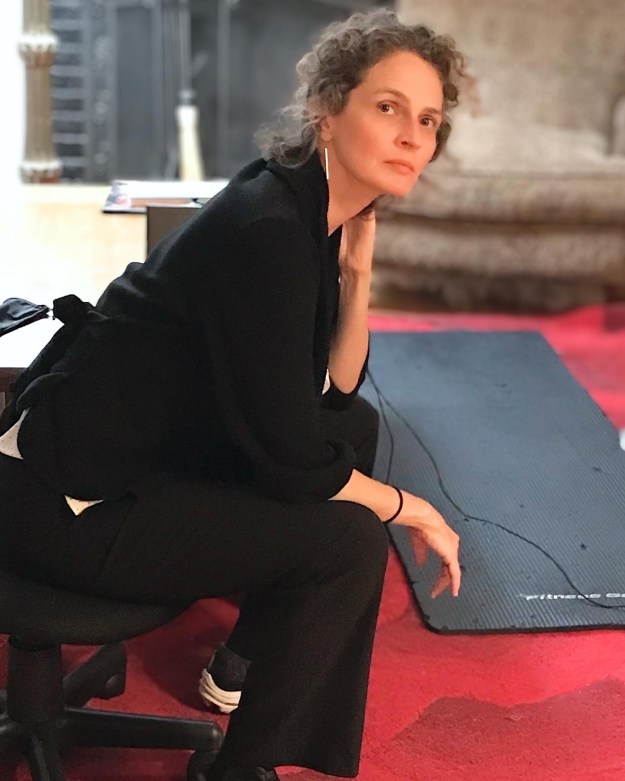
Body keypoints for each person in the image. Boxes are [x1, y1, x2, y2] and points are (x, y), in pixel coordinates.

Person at [0, 8, 465, 781]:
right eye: (388, 107)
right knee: (348, 538)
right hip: (63, 502)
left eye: (427, 120)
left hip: (133, 459)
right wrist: (406, 505)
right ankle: (240, 769)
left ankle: (243, 660)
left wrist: (356, 272)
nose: (412, 136)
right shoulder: (267, 232)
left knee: (353, 426)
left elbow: (334, 389)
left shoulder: (308, 205)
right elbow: (292, 460)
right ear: (327, 110)